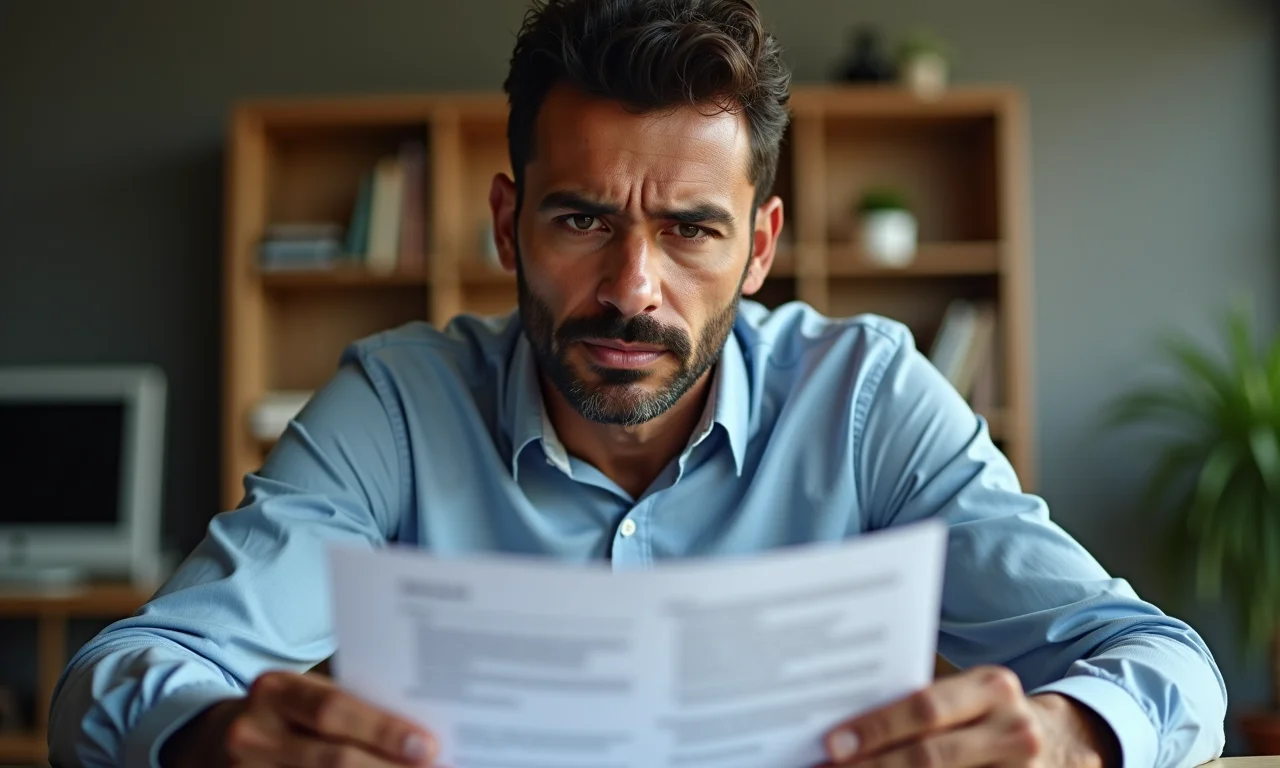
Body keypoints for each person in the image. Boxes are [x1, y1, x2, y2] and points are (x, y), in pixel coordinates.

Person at [49, 0, 1227, 766]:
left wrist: (1068, 735)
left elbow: (1163, 663)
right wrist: (214, 737)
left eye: (689, 232)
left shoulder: (866, 397)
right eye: (580, 217)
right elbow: (107, 683)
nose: (631, 288)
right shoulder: (400, 406)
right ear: (508, 221)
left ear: (759, 248)